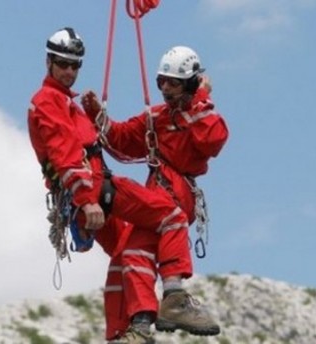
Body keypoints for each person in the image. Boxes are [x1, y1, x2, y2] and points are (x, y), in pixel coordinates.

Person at [28, 28, 214, 343]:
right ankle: (174, 298)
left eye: (75, 65)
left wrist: (97, 117)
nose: (70, 71)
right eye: (63, 64)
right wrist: (87, 199)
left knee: (128, 251)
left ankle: (130, 331)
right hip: (94, 189)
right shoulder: (49, 101)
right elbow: (66, 153)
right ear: (49, 62)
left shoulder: (65, 102)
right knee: (171, 216)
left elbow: (118, 139)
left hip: (89, 191)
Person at [81, 45, 229, 338]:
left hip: (177, 191)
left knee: (166, 215)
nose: (164, 88)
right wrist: (98, 116)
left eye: (172, 83)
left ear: (189, 84)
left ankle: (173, 295)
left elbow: (213, 140)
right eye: (161, 81)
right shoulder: (157, 118)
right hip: (157, 189)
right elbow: (121, 138)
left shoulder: (203, 116)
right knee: (132, 251)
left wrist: (201, 98)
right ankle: (139, 325)